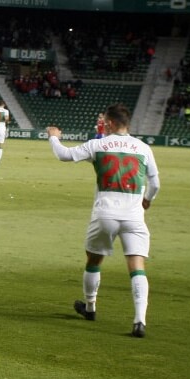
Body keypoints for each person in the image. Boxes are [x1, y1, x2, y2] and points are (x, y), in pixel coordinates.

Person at [46, 103, 160, 338]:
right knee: (137, 267)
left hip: (105, 213)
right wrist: (147, 200)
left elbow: (64, 155)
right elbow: (155, 183)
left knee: (93, 260)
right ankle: (140, 321)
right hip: (134, 216)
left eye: (104, 121)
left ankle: (90, 308)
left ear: (110, 123)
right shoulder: (143, 147)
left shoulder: (98, 144)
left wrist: (54, 138)